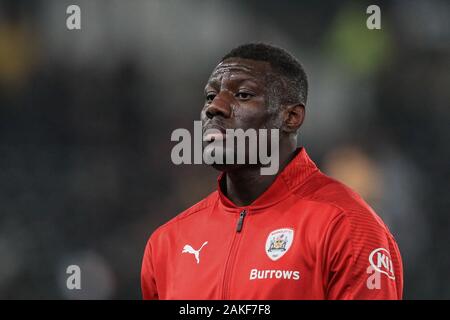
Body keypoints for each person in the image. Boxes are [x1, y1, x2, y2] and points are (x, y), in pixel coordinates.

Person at [141, 43, 403, 299]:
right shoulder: (167, 243)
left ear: (291, 117)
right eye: (210, 97)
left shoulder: (347, 227)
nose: (214, 107)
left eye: (243, 94)